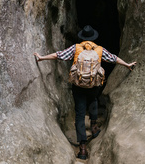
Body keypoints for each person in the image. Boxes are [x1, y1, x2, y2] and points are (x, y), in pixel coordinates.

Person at [34, 25, 136, 160]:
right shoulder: (99, 50)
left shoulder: (76, 48)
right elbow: (113, 58)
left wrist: (42, 58)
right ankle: (94, 127)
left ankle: (82, 148)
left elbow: (59, 55)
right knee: (94, 99)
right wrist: (127, 65)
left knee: (80, 114)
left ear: (82, 37)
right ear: (94, 38)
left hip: (78, 85)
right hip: (94, 85)